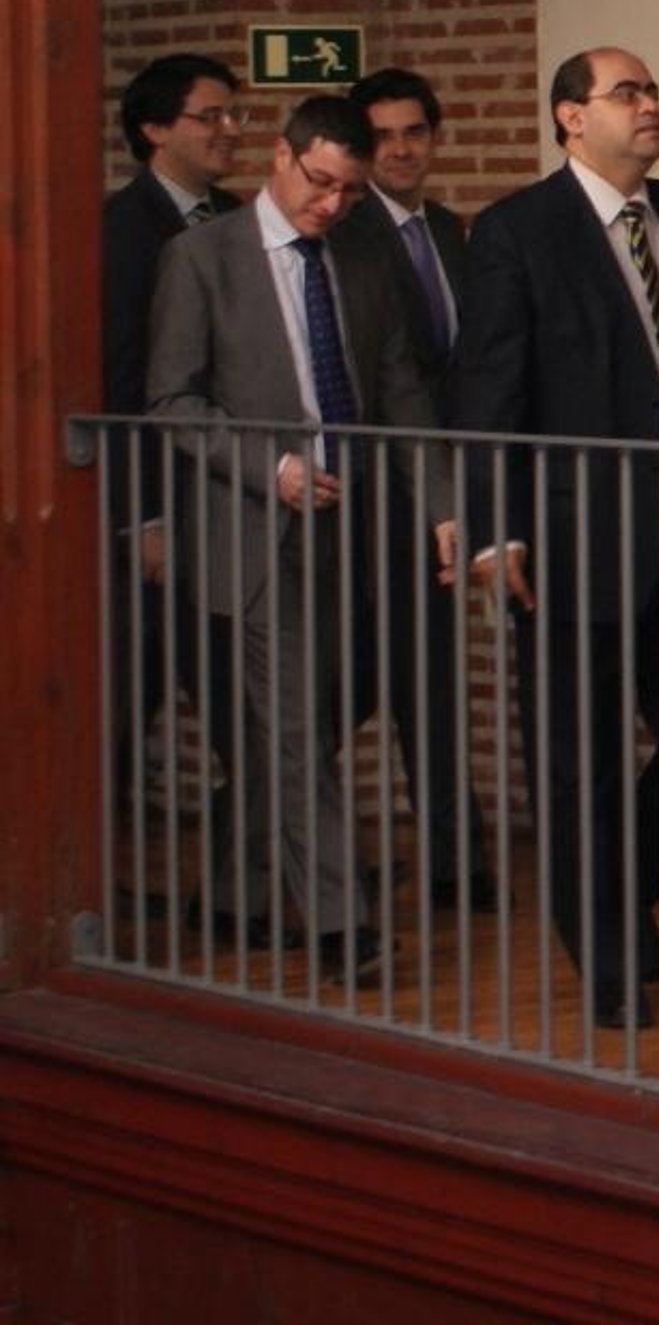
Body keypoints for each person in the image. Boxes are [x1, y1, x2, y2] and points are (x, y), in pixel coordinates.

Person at [146, 95, 452, 983]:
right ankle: (342, 925)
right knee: (292, 729)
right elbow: (171, 400)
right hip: (255, 528)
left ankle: (231, 889)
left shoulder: (361, 255)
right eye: (319, 183)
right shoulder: (201, 258)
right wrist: (268, 466)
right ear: (280, 156)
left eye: (349, 191)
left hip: (353, 528)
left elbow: (401, 390)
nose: (331, 204)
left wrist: (441, 502)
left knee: (308, 722)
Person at [451, 46, 659, 1032]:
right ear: (570, 116)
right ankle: (605, 959)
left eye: (652, 91)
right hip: (575, 533)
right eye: (626, 93)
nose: (649, 106)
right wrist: (494, 528)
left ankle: (619, 888)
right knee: (580, 759)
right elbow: (488, 388)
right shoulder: (519, 230)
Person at [335, 66, 493, 913]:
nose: (400, 150)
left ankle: (454, 862)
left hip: (440, 490)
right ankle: (253, 830)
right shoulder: (346, 234)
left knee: (431, 677)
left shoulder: (449, 230)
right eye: (382, 136)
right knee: (358, 683)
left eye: (414, 132)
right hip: (367, 496)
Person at [101, 54, 245, 807]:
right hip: (159, 500)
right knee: (129, 687)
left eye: (234, 114)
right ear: (155, 130)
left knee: (236, 692)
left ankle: (266, 853)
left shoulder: (238, 215)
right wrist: (145, 516)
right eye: (209, 116)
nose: (230, 130)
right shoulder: (122, 230)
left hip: (230, 491)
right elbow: (123, 376)